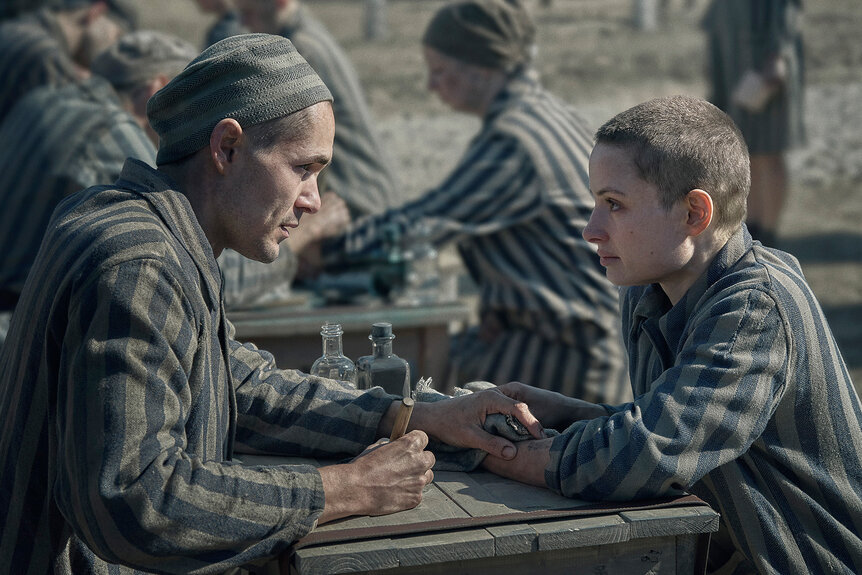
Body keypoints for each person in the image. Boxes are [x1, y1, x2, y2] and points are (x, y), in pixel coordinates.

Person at [0, 34, 544, 573]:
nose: (312, 199)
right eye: (303, 168)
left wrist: (413, 415)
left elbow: (235, 384)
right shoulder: (141, 262)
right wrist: (344, 488)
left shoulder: (145, 228)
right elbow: (136, 499)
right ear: (227, 147)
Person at [480, 95, 862, 574]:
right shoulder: (650, 290)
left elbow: (650, 456)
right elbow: (681, 425)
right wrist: (572, 413)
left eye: (614, 205)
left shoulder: (754, 307)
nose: (591, 230)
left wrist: (502, 453)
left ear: (694, 214)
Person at [321, 0, 630, 404]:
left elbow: (420, 226)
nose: (431, 86)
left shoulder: (514, 142)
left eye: (440, 71)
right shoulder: (547, 113)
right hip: (579, 342)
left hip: (562, 359)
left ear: (482, 67)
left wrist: (324, 243)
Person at [0, 30, 197, 348]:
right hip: (21, 342)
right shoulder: (112, 131)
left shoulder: (38, 102)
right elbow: (184, 257)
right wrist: (293, 250)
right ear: (156, 89)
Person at [234, 0, 399, 218]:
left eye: (249, 12)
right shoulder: (310, 34)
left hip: (355, 199)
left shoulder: (301, 50)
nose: (244, 23)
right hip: (368, 192)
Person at [701, 0, 805, 246]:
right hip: (733, 58)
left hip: (764, 59)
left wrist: (779, 53)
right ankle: (756, 226)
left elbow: (786, 10)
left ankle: (769, 231)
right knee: (748, 149)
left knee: (770, 149)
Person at [0, 0, 135, 125]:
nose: (116, 51)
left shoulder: (20, 29)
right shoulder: (45, 56)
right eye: (118, 36)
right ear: (96, 13)